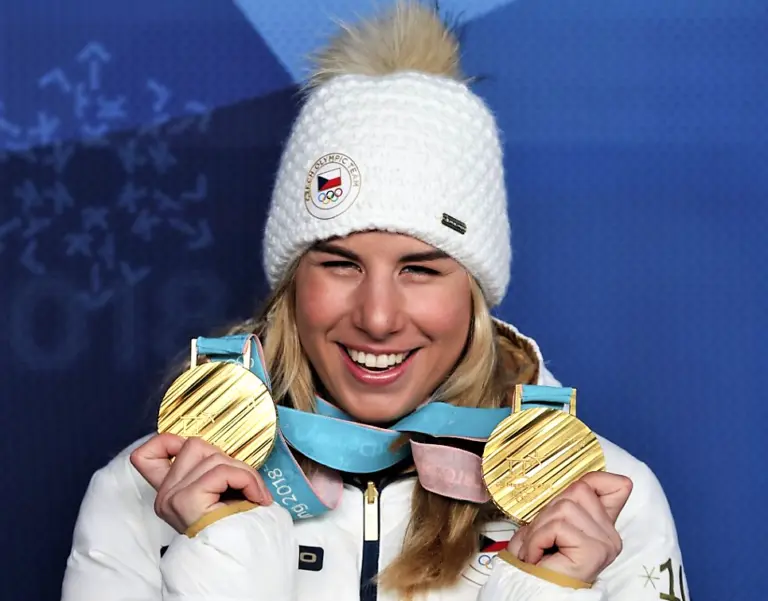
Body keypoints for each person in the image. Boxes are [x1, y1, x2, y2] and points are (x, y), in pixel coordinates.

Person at [61, 2, 688, 600]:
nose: (378, 318)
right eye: (340, 264)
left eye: (420, 270)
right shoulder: (143, 491)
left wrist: (548, 590)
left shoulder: (606, 502)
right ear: (292, 282)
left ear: (472, 292)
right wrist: (220, 550)